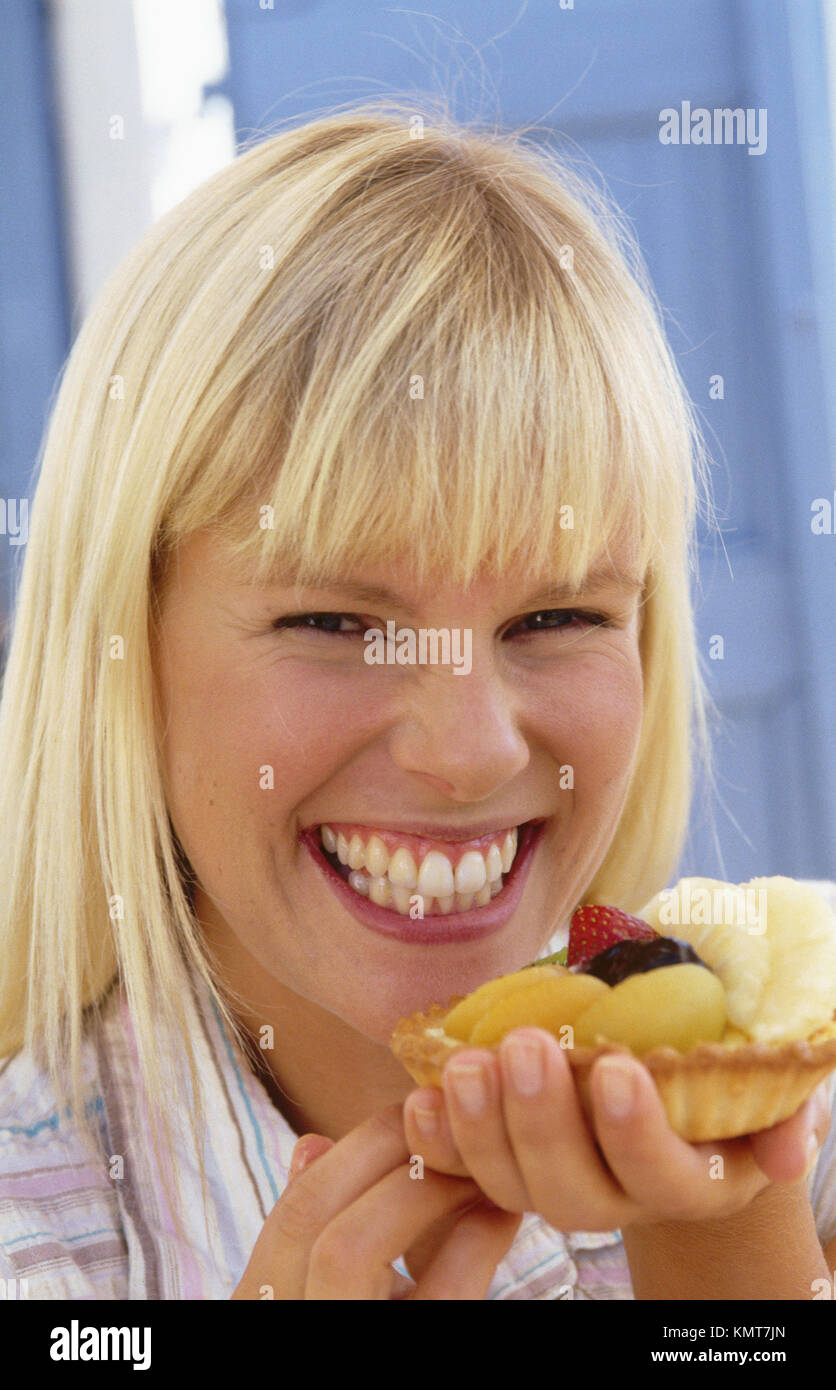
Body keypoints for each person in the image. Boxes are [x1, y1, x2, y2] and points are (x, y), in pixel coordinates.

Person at [0, 98, 833, 1301]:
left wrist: (720, 1259)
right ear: (124, 655)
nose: (469, 748)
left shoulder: (802, 1140)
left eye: (555, 619)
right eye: (334, 623)